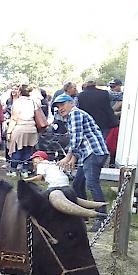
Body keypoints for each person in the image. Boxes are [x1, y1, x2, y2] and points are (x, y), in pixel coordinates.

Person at [54, 93, 109, 232]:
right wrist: (74, 158)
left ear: (71, 102)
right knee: (77, 183)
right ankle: (83, 215)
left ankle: (102, 217)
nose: (60, 108)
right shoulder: (72, 116)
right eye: (58, 106)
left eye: (62, 104)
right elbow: (80, 139)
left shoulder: (75, 114)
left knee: (92, 183)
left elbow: (76, 138)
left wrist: (68, 157)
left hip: (94, 152)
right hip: (87, 154)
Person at [7, 84, 39, 178]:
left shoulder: (17, 102)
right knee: (28, 151)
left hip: (20, 127)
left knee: (16, 150)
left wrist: (9, 132)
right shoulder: (33, 102)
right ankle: (24, 171)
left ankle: (13, 170)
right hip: (32, 129)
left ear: (20, 92)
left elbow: (14, 118)